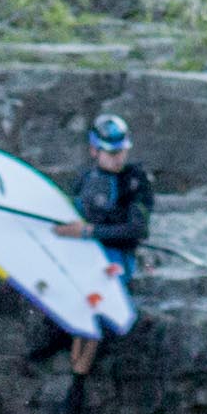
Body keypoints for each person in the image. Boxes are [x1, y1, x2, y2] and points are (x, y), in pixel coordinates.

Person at [41, 108, 152, 383]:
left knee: (93, 299)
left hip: (116, 252)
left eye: (120, 152)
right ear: (94, 151)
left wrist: (89, 232)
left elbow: (136, 229)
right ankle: (58, 334)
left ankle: (78, 380)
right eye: (110, 153)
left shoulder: (135, 181)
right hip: (84, 248)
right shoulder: (86, 178)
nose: (117, 159)